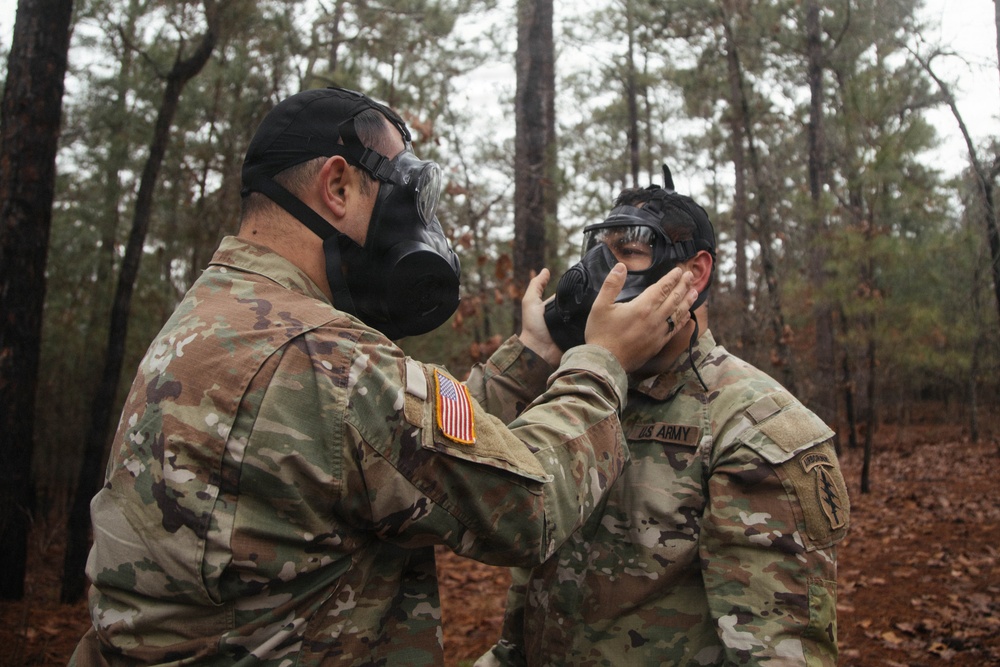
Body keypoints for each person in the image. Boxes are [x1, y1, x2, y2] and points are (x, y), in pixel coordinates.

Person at [69, 87, 699, 666]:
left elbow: (400, 449)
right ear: (338, 185)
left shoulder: (210, 316)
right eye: (404, 194)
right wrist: (603, 363)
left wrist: (530, 354)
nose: (413, 219)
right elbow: (528, 505)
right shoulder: (328, 356)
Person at [479, 169, 850, 666]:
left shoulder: (754, 427)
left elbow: (778, 653)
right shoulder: (576, 398)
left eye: (630, 252)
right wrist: (536, 352)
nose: (600, 271)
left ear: (693, 274)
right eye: (601, 250)